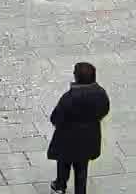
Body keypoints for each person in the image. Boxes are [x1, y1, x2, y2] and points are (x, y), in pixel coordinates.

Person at [45, 62, 110, 194]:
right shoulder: (100, 94)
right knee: (82, 168)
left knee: (63, 163)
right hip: (88, 138)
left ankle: (59, 186)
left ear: (76, 77)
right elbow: (105, 110)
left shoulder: (69, 98)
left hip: (67, 139)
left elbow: (55, 118)